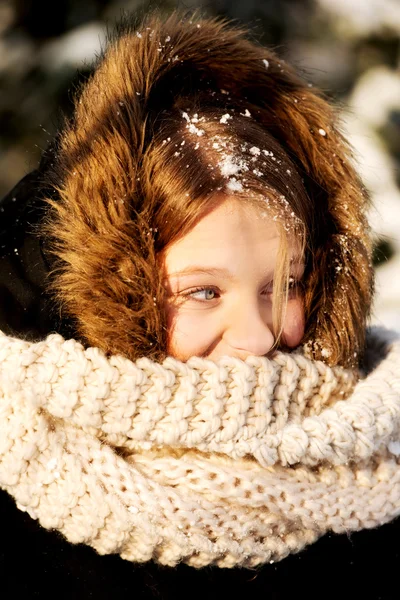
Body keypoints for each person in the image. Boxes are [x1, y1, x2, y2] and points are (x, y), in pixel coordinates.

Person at [0, 10, 399, 600]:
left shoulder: (374, 475)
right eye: (204, 292)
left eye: (284, 286)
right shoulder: (22, 481)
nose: (258, 336)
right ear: (111, 296)